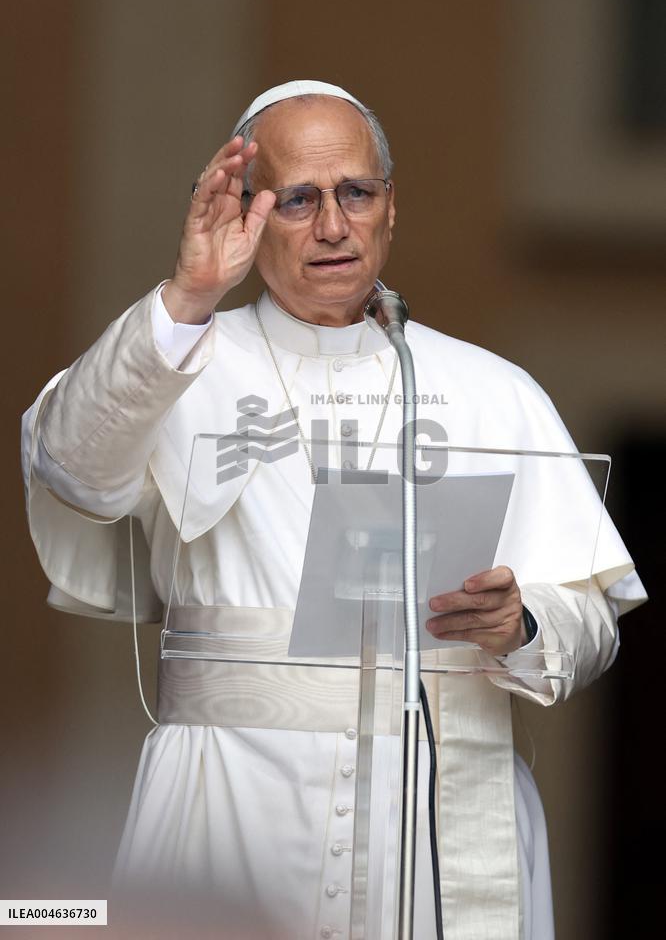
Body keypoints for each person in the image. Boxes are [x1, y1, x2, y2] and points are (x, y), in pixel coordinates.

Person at [22, 80, 646, 940]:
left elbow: (590, 617)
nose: (332, 226)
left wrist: (524, 625)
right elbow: (72, 468)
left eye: (356, 193)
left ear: (391, 208)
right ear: (244, 212)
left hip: (442, 811)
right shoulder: (177, 356)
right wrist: (188, 295)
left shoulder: (493, 391)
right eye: (298, 200)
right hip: (230, 801)